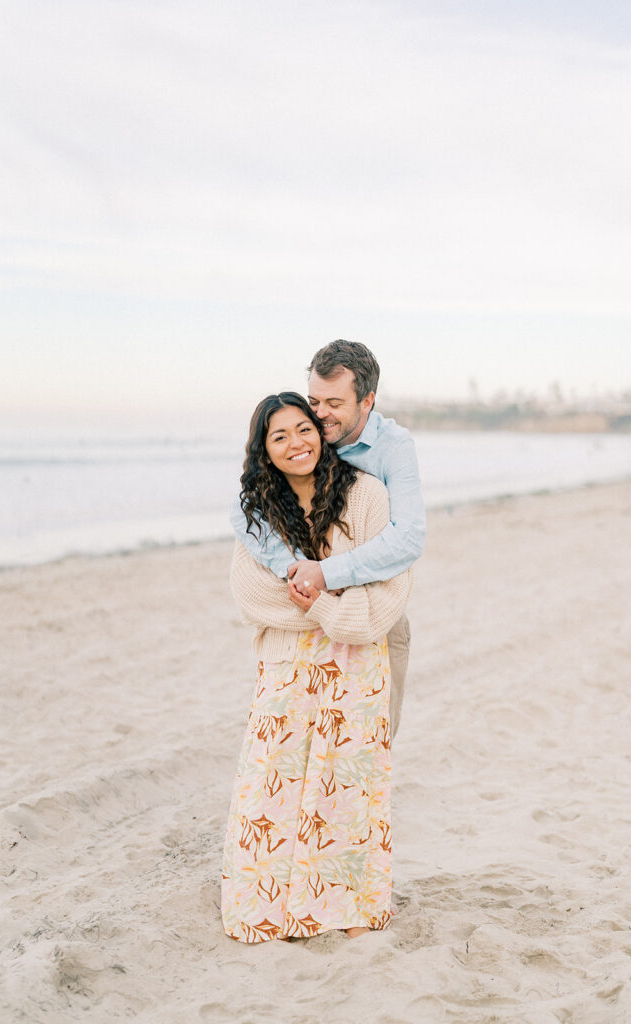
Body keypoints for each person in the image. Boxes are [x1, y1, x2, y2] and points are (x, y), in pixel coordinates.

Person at [222, 392, 412, 942]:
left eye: (303, 429)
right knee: (271, 791)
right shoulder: (258, 513)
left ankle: (350, 912)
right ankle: (274, 914)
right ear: (264, 451)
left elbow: (388, 596)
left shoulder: (368, 497)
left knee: (348, 794)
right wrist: (337, 604)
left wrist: (322, 603)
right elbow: (251, 596)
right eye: (278, 437)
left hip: (356, 669)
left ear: (320, 432)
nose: (296, 443)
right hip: (284, 669)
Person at [229, 340, 425, 737]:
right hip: (302, 634)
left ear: (367, 401)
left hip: (376, 621)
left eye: (334, 404)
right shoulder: (300, 441)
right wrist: (301, 575)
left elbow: (407, 541)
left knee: (370, 746)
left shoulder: (392, 447)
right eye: (314, 401)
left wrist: (325, 575)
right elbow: (248, 511)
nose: (319, 415)